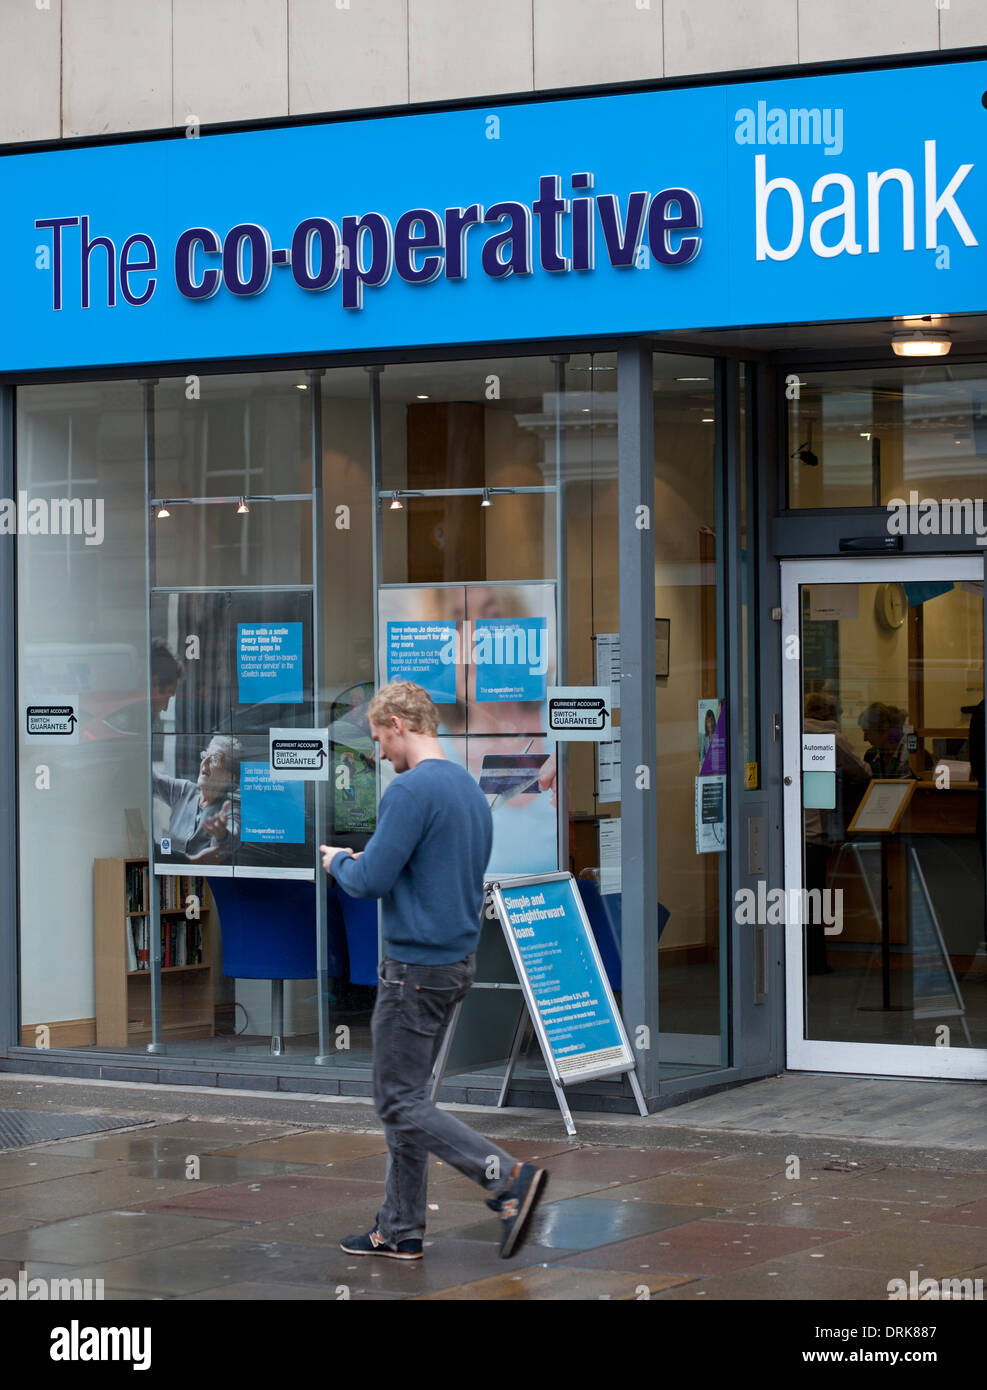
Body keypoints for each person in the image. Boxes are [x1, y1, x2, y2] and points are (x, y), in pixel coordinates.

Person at [319, 679, 549, 1261]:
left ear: (399, 723)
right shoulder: (469, 791)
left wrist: (339, 861)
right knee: (410, 1099)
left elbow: (371, 879)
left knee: (398, 1103)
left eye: (378, 739)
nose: (379, 754)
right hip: (453, 964)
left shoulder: (410, 792)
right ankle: (400, 1228)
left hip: (412, 968)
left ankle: (506, 1179)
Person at [152, 734, 241, 865]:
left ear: (231, 777)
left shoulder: (231, 809)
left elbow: (232, 836)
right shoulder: (184, 790)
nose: (204, 762)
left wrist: (222, 835)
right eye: (205, 755)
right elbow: (150, 779)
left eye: (215, 759)